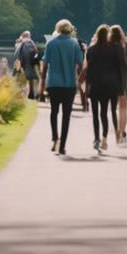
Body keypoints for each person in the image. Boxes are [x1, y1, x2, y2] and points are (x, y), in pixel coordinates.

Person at [41, 19, 83, 155]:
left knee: (54, 112)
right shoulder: (74, 43)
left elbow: (45, 63)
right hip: (69, 84)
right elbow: (80, 63)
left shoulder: (51, 43)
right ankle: (63, 144)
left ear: (57, 29)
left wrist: (42, 80)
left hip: (53, 83)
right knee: (66, 115)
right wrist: (81, 80)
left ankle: (55, 138)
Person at [85, 25, 127, 153]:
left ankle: (97, 138)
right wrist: (122, 86)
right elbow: (120, 68)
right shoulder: (114, 49)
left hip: (95, 85)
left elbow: (89, 70)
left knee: (95, 115)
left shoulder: (91, 50)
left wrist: (87, 87)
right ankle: (104, 137)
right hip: (111, 85)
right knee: (104, 113)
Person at [109, 25, 127, 142]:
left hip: (110, 81)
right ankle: (122, 131)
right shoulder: (124, 48)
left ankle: (117, 129)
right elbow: (125, 67)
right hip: (121, 81)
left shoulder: (108, 48)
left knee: (113, 108)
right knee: (123, 108)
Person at [14, 31, 40, 100]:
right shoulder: (32, 42)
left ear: (22, 36)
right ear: (29, 36)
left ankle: (19, 94)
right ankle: (31, 93)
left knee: (19, 77)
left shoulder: (20, 43)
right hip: (31, 62)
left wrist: (17, 44)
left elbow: (16, 54)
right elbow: (36, 53)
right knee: (30, 77)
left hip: (21, 62)